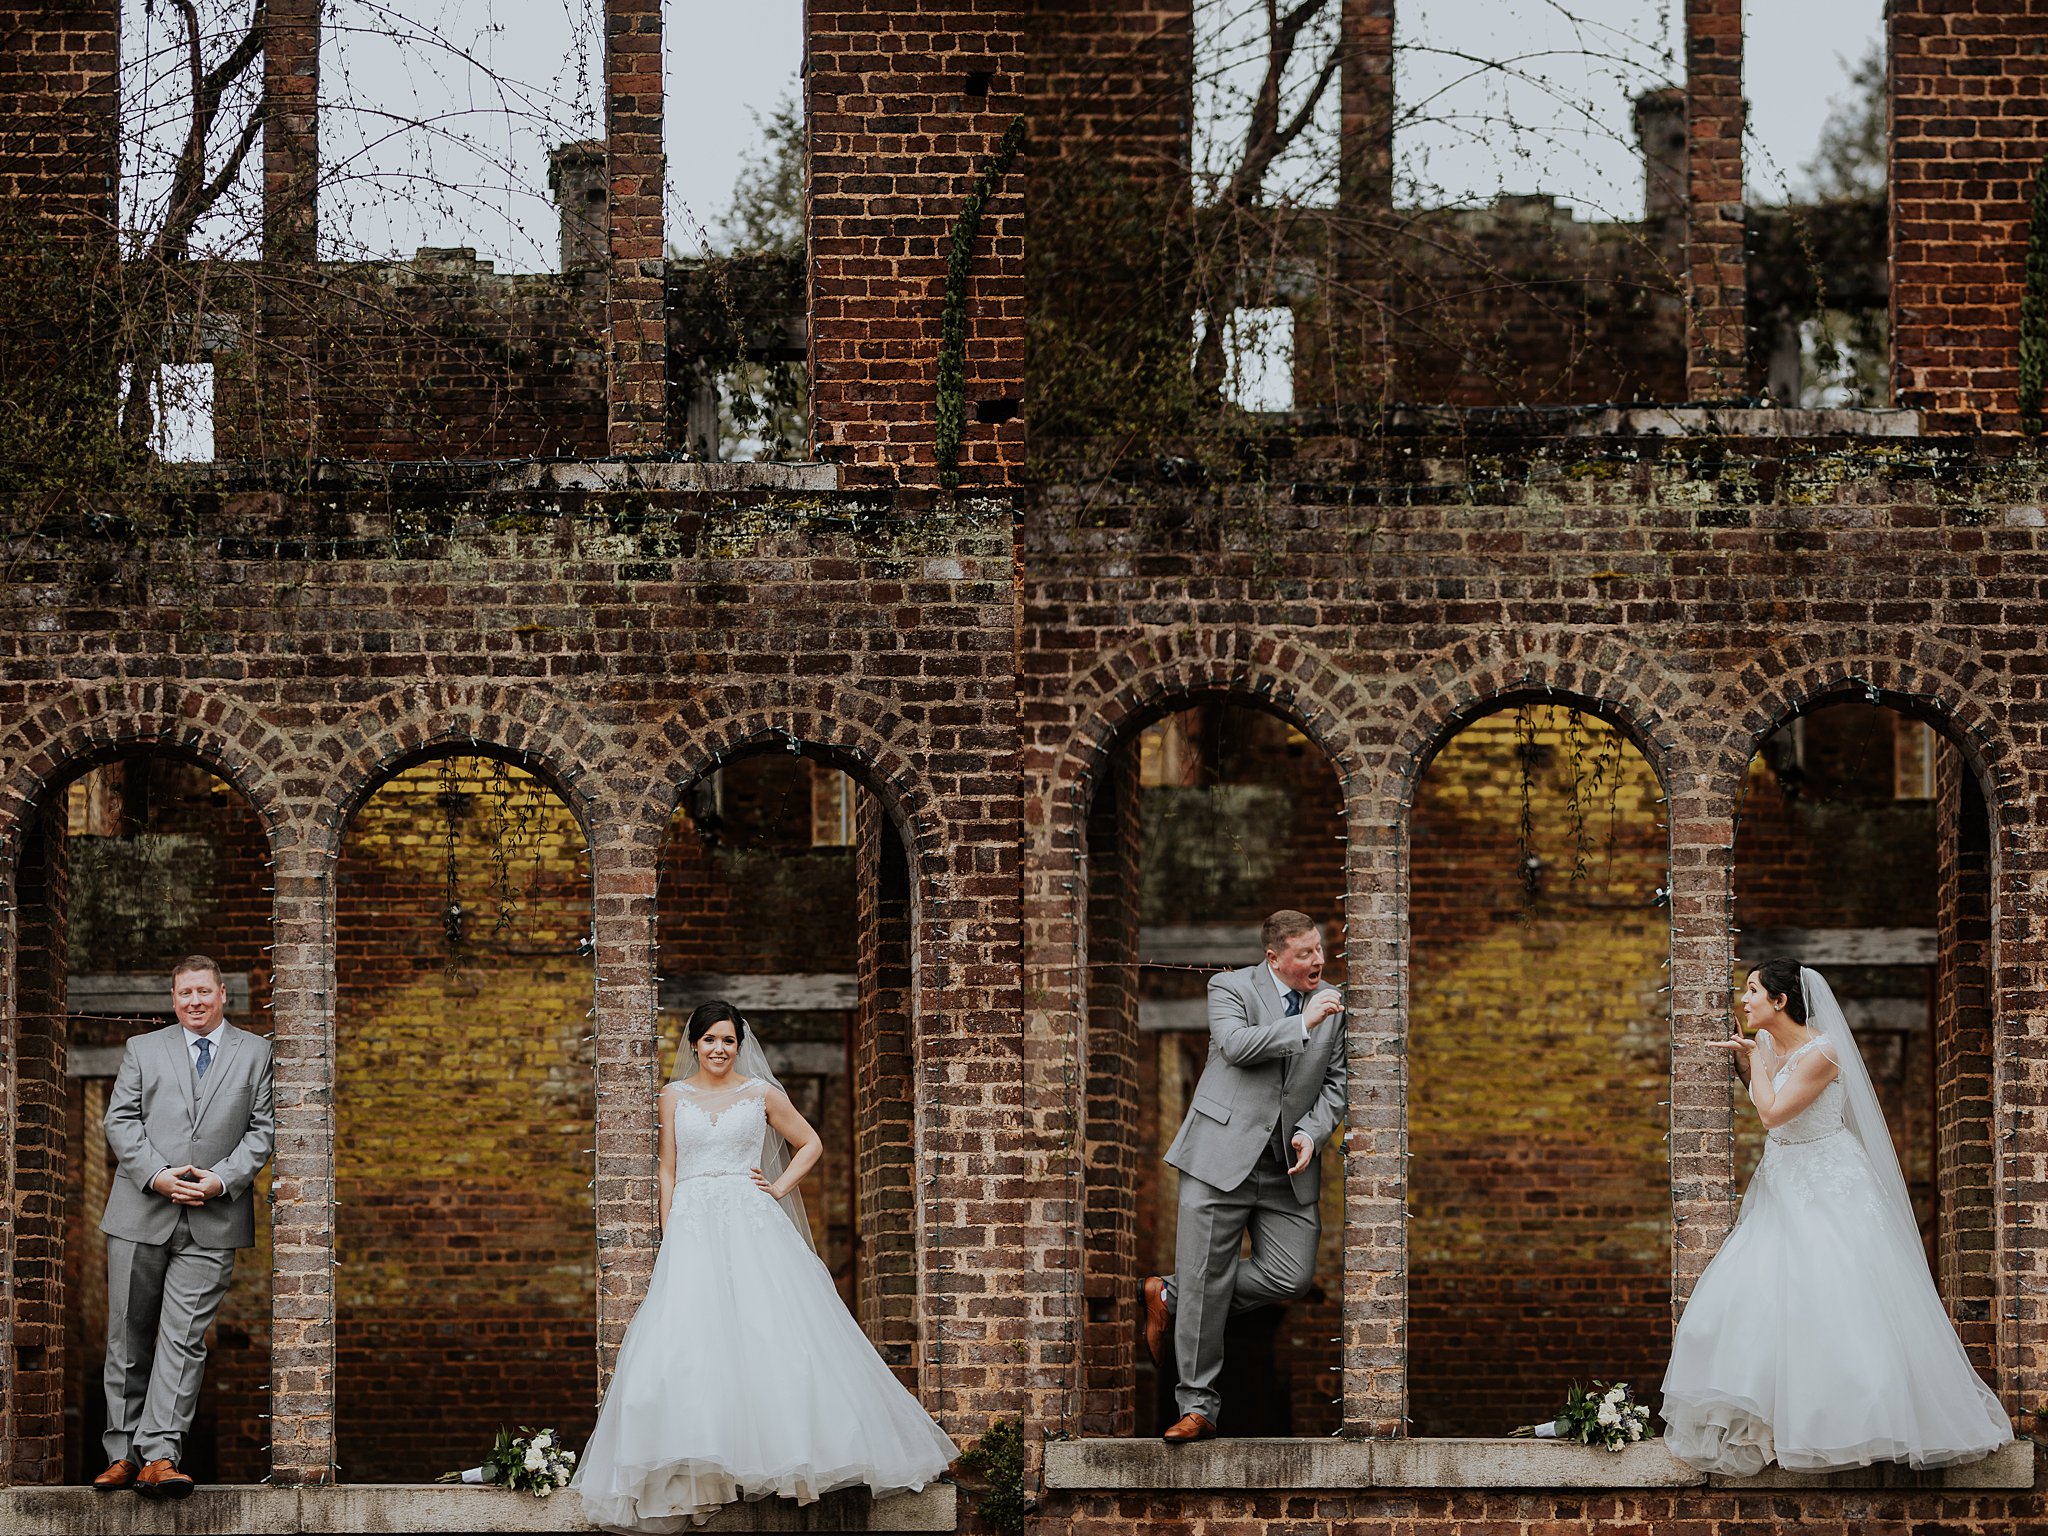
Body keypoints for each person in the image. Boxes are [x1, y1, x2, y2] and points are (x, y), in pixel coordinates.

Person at [573, 1001, 957, 1531]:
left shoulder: (760, 1093)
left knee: (770, 1330)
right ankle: (704, 1456)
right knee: (691, 1339)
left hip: (750, 1220)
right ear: (693, 1045)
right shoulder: (672, 1097)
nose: (718, 1049)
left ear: (740, 1044)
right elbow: (667, 1167)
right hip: (693, 1223)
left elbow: (811, 1142)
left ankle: (782, 1452)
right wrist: (669, 1229)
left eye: (728, 1040)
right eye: (709, 1040)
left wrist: (776, 1188)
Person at [1661, 959, 2012, 1474]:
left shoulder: (1825, 1050)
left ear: (1781, 1001)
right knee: (1763, 1296)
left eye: (1754, 991)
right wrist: (1747, 1064)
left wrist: (1754, 1063)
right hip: (1781, 1180)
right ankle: (1773, 1423)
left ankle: (1852, 1424)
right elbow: (1770, 1100)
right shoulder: (1768, 1047)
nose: (1745, 1000)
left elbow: (1773, 1113)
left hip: (1827, 1181)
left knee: (1835, 1297)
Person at [1141, 910, 1347, 1441]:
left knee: (1291, 1276)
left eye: (1320, 950)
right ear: (1274, 958)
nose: (1318, 961)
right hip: (1219, 1157)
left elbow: (1336, 1085)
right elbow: (1237, 1046)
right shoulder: (1228, 987)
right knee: (1206, 1274)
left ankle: (1172, 1294)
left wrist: (1312, 1130)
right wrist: (1304, 1024)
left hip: (1288, 1168)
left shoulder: (1334, 1002)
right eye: (1305, 954)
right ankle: (1197, 1408)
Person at [93, 955, 275, 1499]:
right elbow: (119, 1120)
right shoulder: (142, 1050)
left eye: (203, 991)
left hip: (214, 1218)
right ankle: (121, 1454)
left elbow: (263, 1131)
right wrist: (157, 1176)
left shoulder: (257, 1053)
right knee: (127, 1336)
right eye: (183, 993)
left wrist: (219, 1181)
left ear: (223, 995)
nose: (194, 1001)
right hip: (139, 1212)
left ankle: (161, 1454)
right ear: (174, 1000)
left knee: (185, 1338)